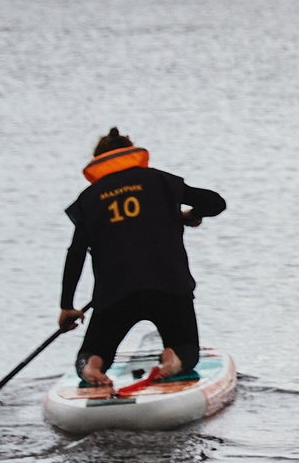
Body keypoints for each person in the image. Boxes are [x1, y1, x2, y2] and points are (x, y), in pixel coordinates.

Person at [57, 128, 227, 391]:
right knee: (186, 348)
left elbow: (76, 253)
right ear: (132, 153)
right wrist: (190, 213)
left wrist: (67, 305)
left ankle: (92, 366)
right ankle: (173, 359)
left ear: (97, 161)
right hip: (169, 286)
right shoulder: (159, 181)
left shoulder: (89, 199)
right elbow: (216, 203)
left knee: (95, 349)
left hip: (115, 292)